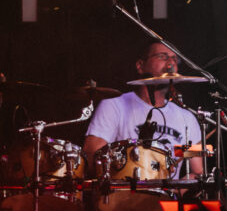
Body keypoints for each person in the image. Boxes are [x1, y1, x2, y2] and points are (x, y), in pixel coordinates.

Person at [83, 41, 203, 176]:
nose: (171, 63)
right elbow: (92, 156)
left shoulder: (187, 118)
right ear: (140, 66)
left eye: (175, 59)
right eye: (162, 56)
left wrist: (183, 185)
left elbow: (198, 171)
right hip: (124, 187)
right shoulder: (114, 105)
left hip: (168, 190)